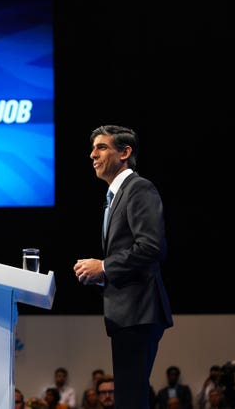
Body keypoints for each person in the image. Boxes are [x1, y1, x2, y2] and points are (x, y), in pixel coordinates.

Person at [73, 124, 173, 408]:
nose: (93, 155)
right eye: (93, 149)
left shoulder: (138, 188)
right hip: (128, 312)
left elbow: (151, 247)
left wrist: (103, 266)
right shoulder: (115, 196)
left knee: (130, 397)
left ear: (125, 153)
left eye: (101, 147)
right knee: (129, 396)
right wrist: (103, 275)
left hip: (139, 311)